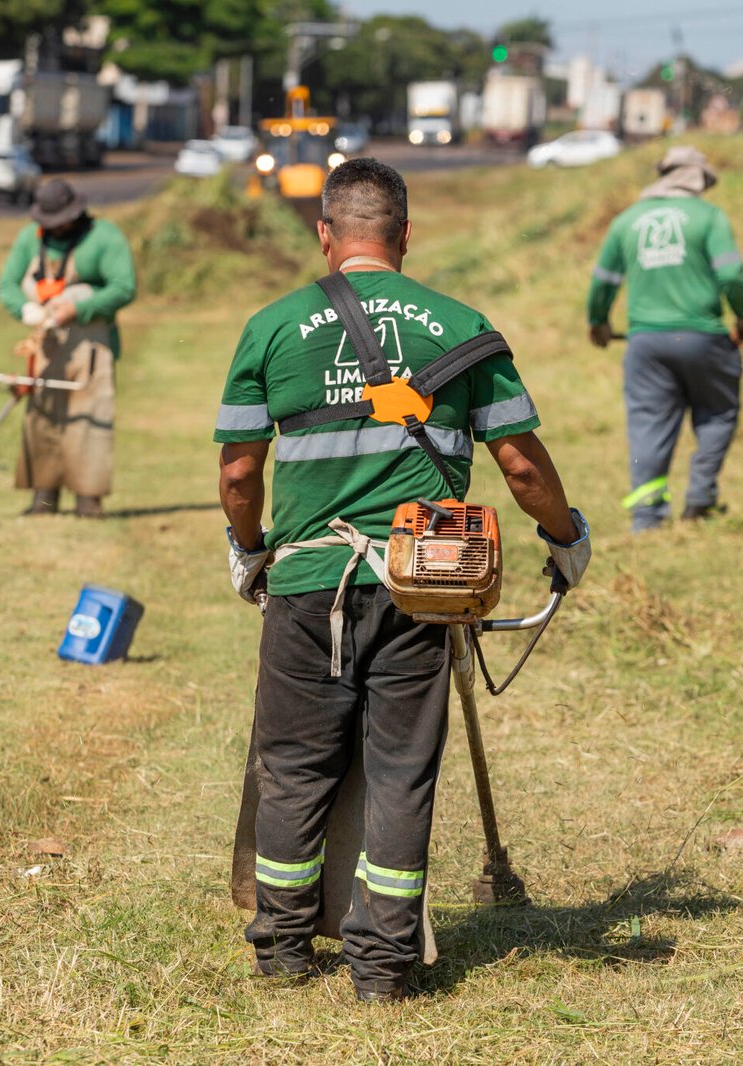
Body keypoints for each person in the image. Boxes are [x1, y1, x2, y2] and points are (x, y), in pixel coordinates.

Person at [214, 158, 591, 1002]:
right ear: (405, 235)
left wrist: (250, 552)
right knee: (399, 772)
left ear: (325, 234)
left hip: (309, 582)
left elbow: (240, 477)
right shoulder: (460, 325)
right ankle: (381, 969)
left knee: (295, 765)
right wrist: (568, 540)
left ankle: (280, 949)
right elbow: (523, 466)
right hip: (421, 584)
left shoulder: (271, 327)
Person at [586, 145, 743, 533]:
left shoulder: (626, 221)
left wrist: (598, 321)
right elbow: (731, 276)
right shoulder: (709, 217)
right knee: (718, 413)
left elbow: (603, 282)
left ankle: (648, 518)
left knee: (649, 424)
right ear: (699, 178)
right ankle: (700, 498)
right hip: (705, 339)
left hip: (646, 344)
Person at [0, 178, 136, 518]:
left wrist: (77, 309)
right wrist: (25, 310)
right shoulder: (30, 238)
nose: (52, 228)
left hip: (92, 344)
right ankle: (43, 499)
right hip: (46, 345)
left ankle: (88, 501)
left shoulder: (104, 237)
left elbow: (124, 287)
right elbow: (7, 285)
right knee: (42, 418)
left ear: (75, 213)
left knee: (89, 418)